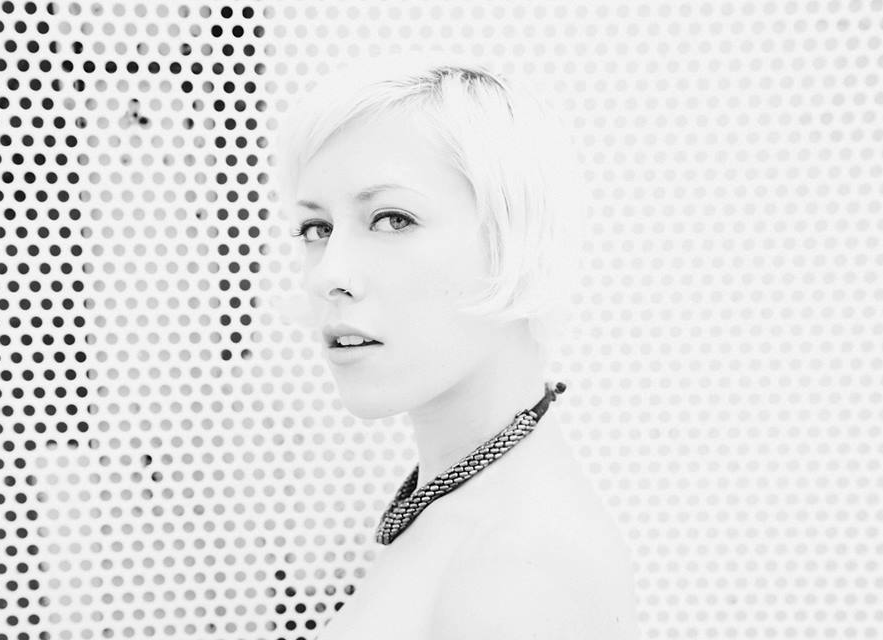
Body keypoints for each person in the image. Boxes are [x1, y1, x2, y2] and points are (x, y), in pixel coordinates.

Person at [271, 51, 639, 640]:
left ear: (515, 239)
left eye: (392, 219)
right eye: (317, 228)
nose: (328, 274)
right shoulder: (466, 508)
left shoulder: (519, 574)